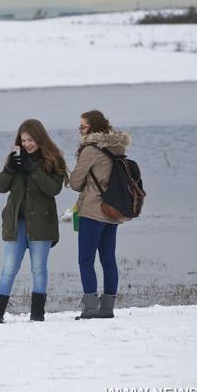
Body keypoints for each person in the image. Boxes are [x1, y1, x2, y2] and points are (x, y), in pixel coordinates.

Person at [0, 119, 68, 323]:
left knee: (39, 269)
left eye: (30, 140)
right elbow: (0, 187)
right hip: (16, 224)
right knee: (8, 269)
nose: (27, 144)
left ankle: (37, 315)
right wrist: (9, 168)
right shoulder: (14, 159)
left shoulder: (53, 159)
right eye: (23, 140)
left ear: (39, 138)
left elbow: (53, 189)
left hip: (41, 224)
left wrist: (33, 168)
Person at [69, 110, 131, 320]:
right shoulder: (117, 147)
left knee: (85, 260)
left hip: (93, 212)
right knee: (108, 260)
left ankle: (90, 308)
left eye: (83, 127)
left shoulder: (90, 150)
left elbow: (75, 182)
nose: (80, 131)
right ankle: (107, 308)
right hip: (111, 211)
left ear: (93, 128)